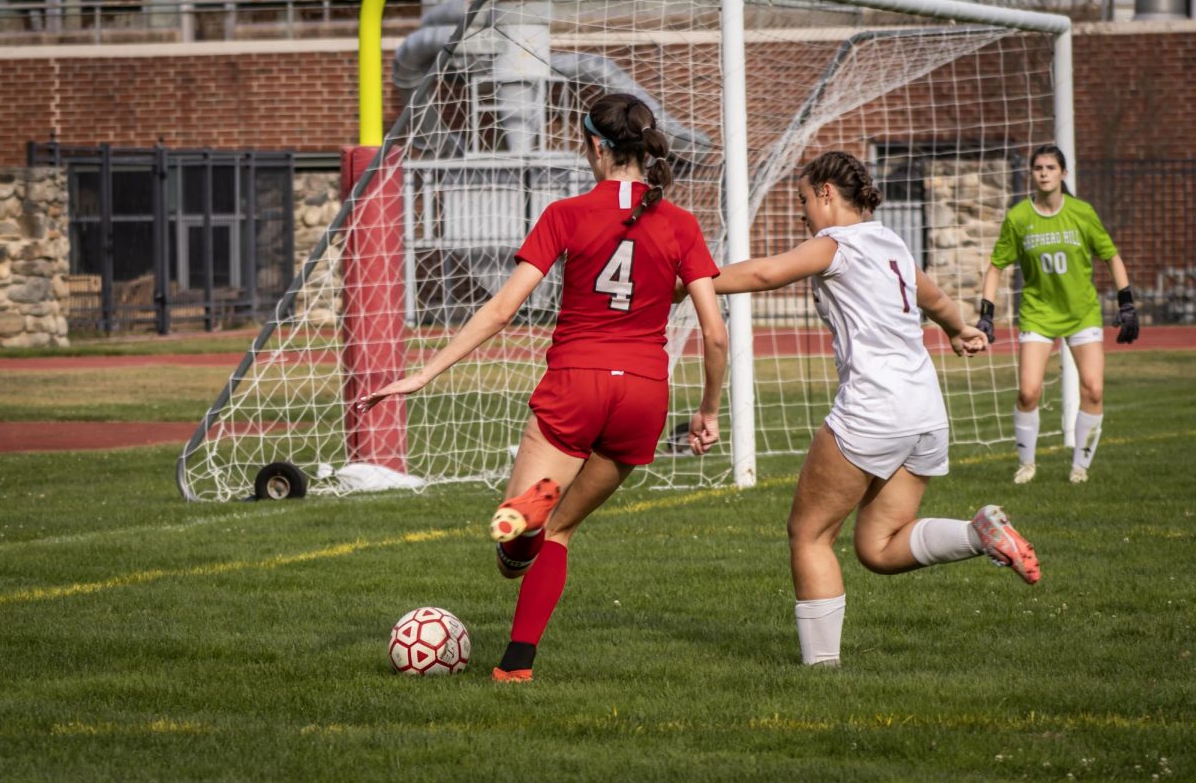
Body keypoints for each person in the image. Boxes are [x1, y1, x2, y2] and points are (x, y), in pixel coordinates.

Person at [355, 93, 728, 682]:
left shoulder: (566, 213)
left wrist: (424, 373)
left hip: (575, 383)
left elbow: (503, 309)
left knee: (516, 555)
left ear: (598, 148)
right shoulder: (680, 223)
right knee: (563, 530)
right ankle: (515, 666)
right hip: (644, 394)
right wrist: (707, 411)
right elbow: (714, 335)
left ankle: (526, 525)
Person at [682, 150, 1040, 668]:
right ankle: (977, 533)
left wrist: (689, 281)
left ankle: (821, 671)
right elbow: (934, 296)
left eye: (804, 199)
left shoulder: (835, 245)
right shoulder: (891, 240)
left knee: (809, 534)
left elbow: (763, 275)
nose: (803, 212)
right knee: (877, 547)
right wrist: (958, 329)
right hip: (925, 411)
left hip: (873, 409)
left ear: (826, 193)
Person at [976, 144, 1139, 485]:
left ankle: (1080, 467)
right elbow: (995, 267)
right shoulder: (1019, 217)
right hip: (1038, 314)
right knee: (1028, 392)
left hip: (1082, 314)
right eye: (1039, 168)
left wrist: (1127, 304)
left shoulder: (1081, 212)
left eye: (1051, 167)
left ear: (1063, 174)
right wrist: (986, 315)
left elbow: (1111, 255)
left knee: (1093, 389)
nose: (1045, 173)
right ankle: (1027, 465)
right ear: (1031, 175)